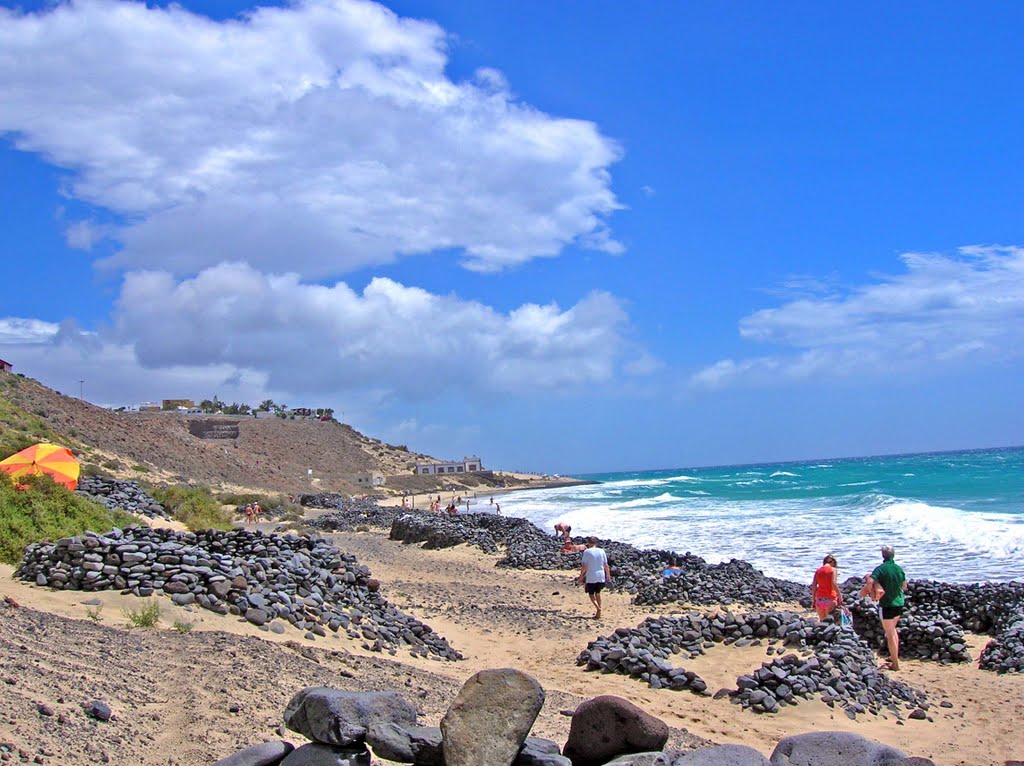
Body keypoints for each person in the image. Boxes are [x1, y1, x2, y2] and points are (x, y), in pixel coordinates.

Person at [872, 545, 907, 671]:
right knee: (893, 632)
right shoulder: (899, 569)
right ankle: (894, 658)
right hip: (899, 603)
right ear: (894, 555)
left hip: (886, 604)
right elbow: (904, 587)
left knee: (890, 634)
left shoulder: (880, 569)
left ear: (883, 555)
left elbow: (871, 582)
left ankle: (895, 664)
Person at [577, 537, 611, 619]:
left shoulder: (587, 552)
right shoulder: (601, 551)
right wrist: (608, 576)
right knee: (598, 593)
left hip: (591, 576)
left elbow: (584, 566)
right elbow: (606, 565)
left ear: (588, 543)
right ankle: (598, 613)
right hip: (601, 575)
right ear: (596, 543)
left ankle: (598, 609)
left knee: (591, 594)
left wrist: (581, 576)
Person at [810, 554, 843, 621]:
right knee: (831, 623)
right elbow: (834, 583)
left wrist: (813, 600)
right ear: (833, 562)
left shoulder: (818, 570)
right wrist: (840, 596)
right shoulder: (833, 570)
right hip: (830, 598)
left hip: (819, 599)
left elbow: (814, 586)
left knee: (822, 622)